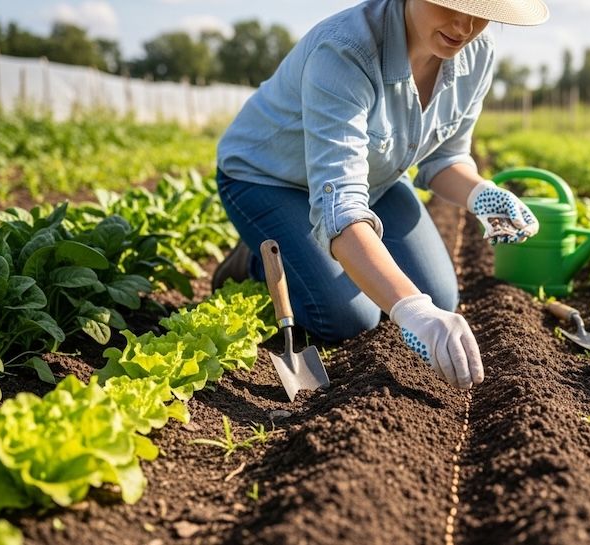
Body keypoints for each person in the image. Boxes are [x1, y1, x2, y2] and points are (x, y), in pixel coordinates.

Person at [212, 0, 549, 390]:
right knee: (347, 317)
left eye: (482, 11)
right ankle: (258, 260)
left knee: (438, 295)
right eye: (450, 4)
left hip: (373, 180)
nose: (465, 25)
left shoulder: (477, 51)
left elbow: (445, 157)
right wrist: (412, 309)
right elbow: (340, 207)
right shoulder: (346, 50)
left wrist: (482, 195)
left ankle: (314, 258)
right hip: (269, 179)